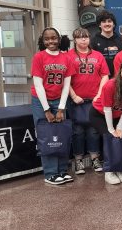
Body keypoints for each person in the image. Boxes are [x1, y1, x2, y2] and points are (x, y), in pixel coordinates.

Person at [31, 27, 75, 185]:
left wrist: (61, 108)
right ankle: (50, 173)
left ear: (59, 39)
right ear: (43, 41)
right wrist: (47, 110)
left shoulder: (66, 58)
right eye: (47, 39)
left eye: (54, 38)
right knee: (47, 136)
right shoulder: (39, 57)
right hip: (41, 100)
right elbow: (38, 85)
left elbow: (66, 85)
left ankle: (62, 171)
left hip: (59, 100)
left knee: (62, 134)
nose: (51, 41)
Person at [90, 60, 122, 185]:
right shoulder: (110, 85)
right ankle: (109, 171)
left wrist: (119, 126)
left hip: (117, 116)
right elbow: (107, 109)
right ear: (120, 70)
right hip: (99, 115)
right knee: (110, 138)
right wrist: (112, 129)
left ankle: (119, 168)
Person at [67, 27, 109, 175]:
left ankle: (94, 158)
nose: (83, 40)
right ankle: (78, 160)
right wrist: (73, 96)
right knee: (77, 131)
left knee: (93, 131)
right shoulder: (68, 56)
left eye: (86, 37)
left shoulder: (97, 55)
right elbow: (66, 80)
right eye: (80, 37)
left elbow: (105, 75)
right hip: (76, 100)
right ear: (75, 40)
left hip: (94, 99)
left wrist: (99, 94)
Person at [90, 10, 122, 77]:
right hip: (100, 78)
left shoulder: (121, 41)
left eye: (109, 21)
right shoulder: (93, 41)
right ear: (99, 25)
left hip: (119, 78)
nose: (107, 24)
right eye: (104, 22)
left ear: (114, 24)